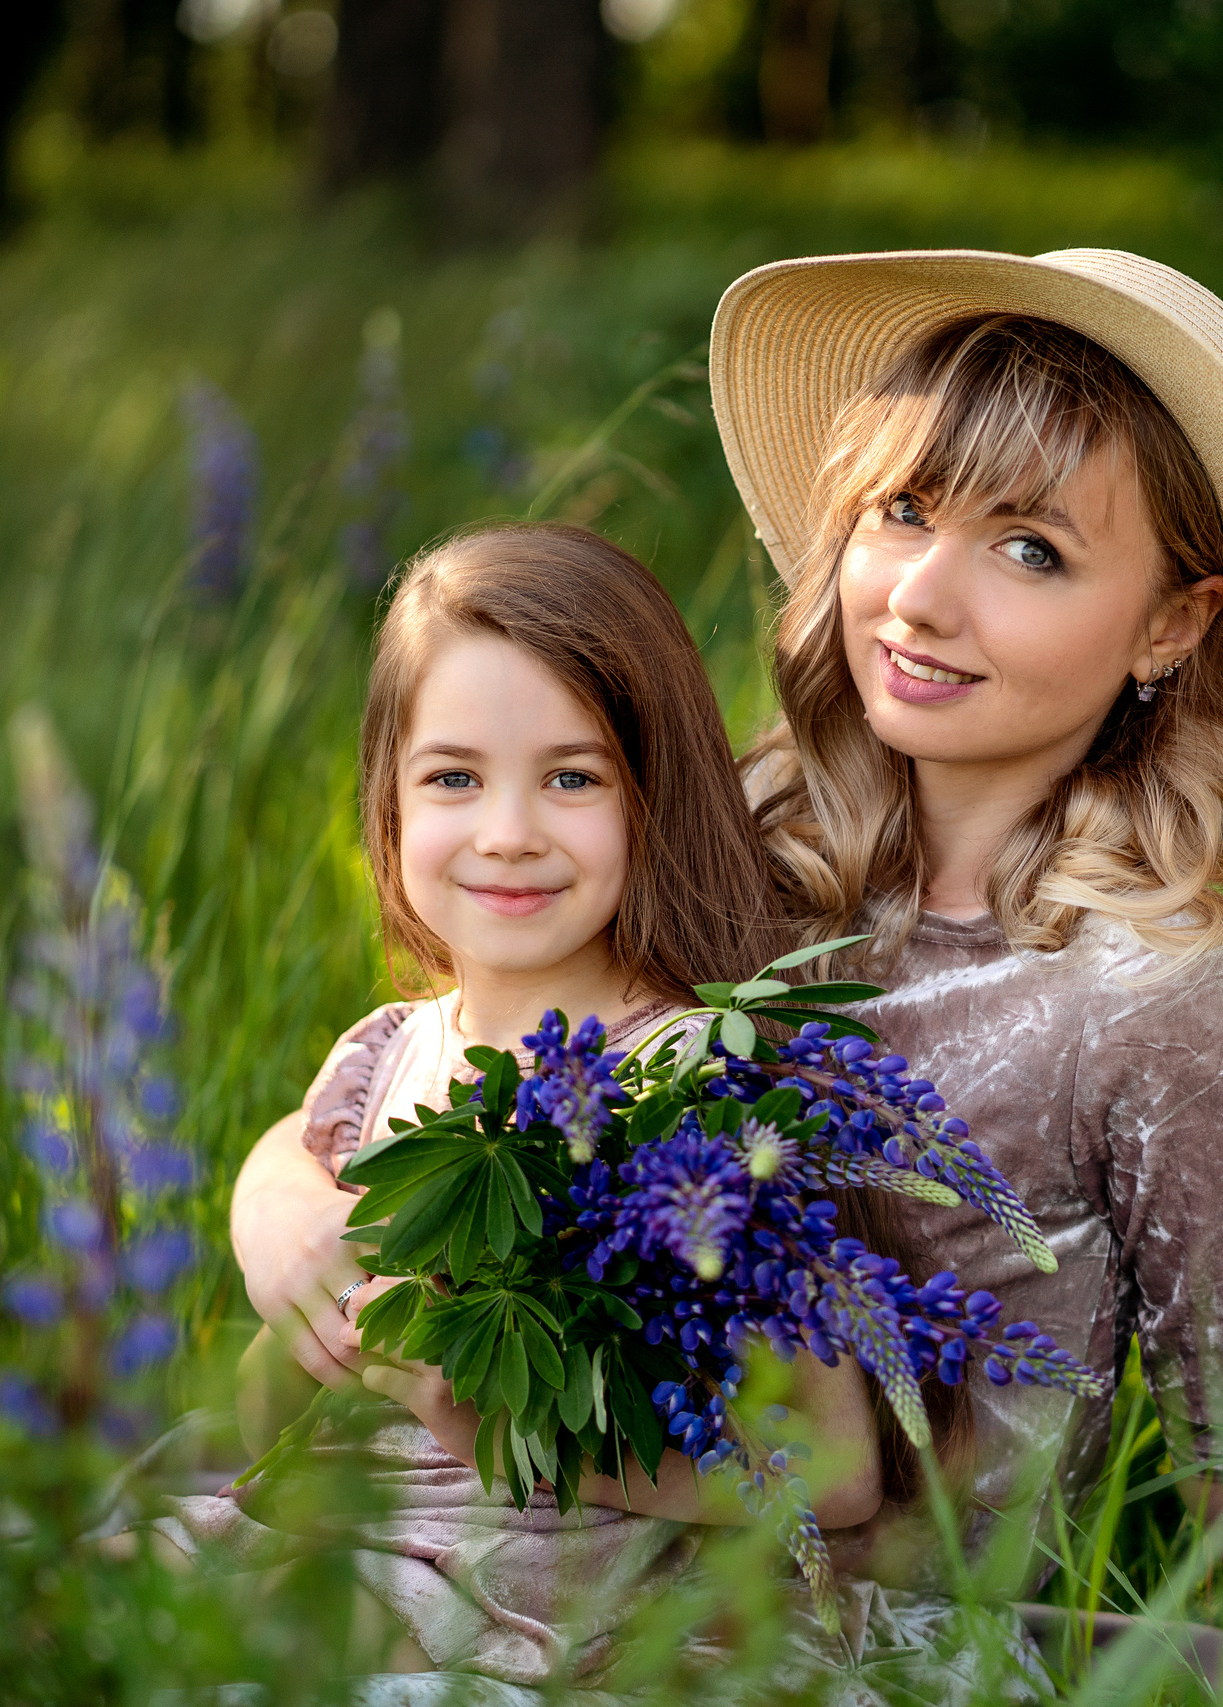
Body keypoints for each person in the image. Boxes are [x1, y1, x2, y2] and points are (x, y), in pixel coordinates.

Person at [236, 251, 1223, 1705]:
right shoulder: (749, 837)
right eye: (903, 512)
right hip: (527, 1537)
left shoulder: (1154, 1001)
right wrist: (290, 1203)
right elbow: (448, 1061)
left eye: (1032, 548)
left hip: (808, 1629)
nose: (922, 596)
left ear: (1173, 624)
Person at [207, 521, 884, 1686]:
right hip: (344, 1538)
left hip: (535, 1593)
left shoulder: (691, 1082)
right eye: (454, 778)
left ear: (652, 799)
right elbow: (269, 1417)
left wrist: (516, 1436)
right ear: (390, 803)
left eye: (571, 778)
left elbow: (833, 1470)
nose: (507, 833)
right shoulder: (388, 1058)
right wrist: (279, 1248)